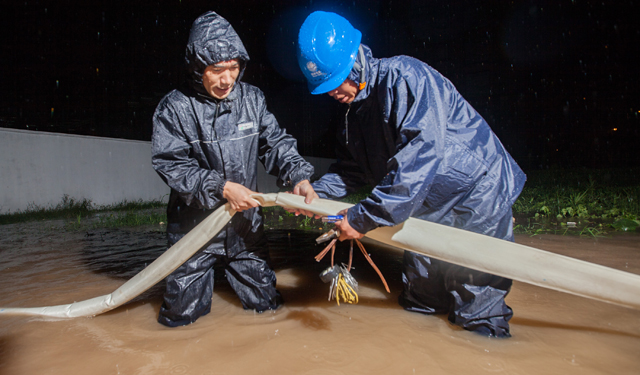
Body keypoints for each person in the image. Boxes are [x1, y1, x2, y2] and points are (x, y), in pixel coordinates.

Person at [296, 11, 526, 337]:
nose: (333, 92)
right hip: (425, 205)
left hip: (476, 194)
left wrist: (361, 219)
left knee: (477, 308)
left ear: (356, 61)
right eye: (325, 87)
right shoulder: (353, 116)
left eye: (337, 80)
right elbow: (351, 171)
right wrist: (316, 194)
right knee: (421, 300)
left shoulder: (406, 77)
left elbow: (418, 163)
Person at [151, 11, 318, 327]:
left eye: (233, 68)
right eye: (216, 70)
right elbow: (171, 164)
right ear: (197, 67)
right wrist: (221, 188)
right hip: (194, 232)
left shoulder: (252, 99)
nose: (227, 79)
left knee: (269, 311)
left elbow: (275, 142)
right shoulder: (174, 108)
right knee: (180, 323)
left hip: (245, 230)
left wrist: (299, 176)